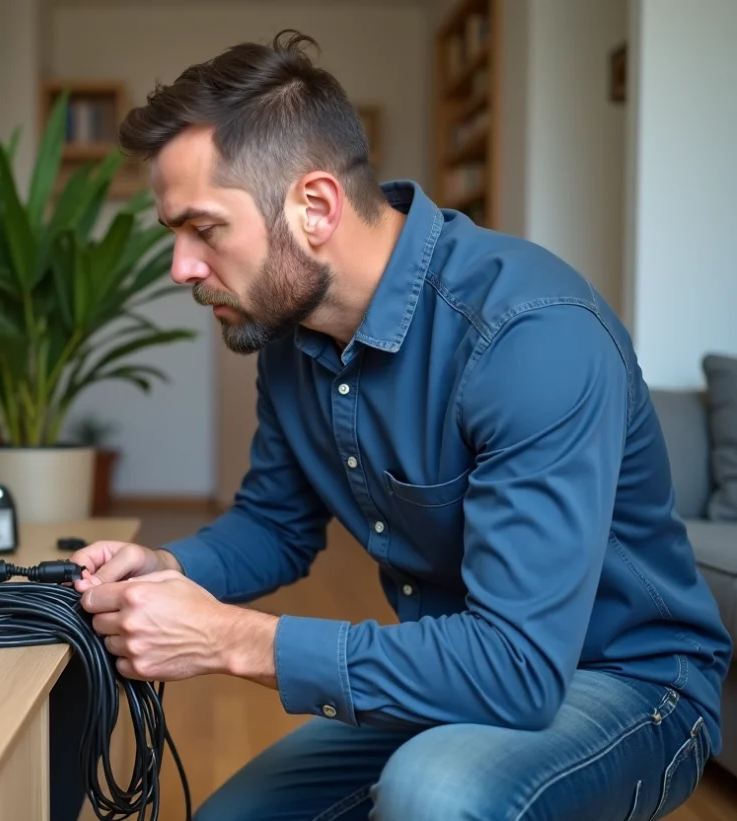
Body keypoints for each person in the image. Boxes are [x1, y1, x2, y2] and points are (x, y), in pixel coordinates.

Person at [70, 31, 732, 820]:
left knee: (435, 792)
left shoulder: (529, 335)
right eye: (172, 234)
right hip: (453, 671)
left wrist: (229, 638)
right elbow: (276, 525)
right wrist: (166, 567)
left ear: (315, 206)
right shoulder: (291, 339)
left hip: (632, 686)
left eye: (203, 229)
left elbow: (519, 666)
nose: (180, 266)